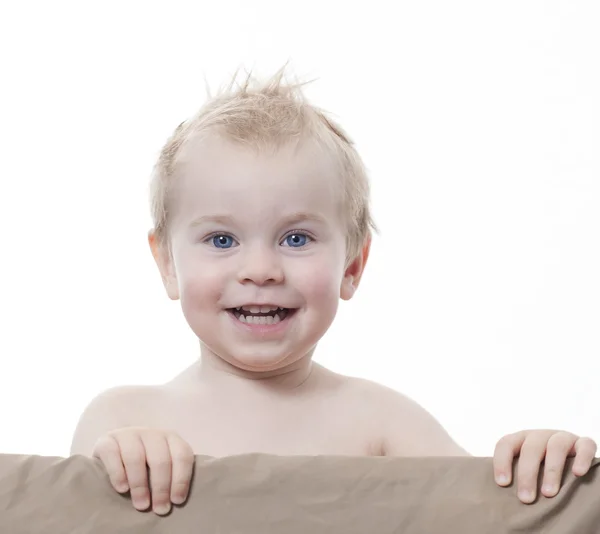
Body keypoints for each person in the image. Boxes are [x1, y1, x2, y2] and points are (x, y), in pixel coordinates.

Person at [69, 68, 597, 516]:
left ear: (353, 265)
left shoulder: (382, 424)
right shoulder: (122, 418)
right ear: (166, 263)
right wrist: (118, 463)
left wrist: (537, 462)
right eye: (221, 238)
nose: (260, 269)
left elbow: (483, 513)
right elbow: (65, 517)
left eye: (296, 238)